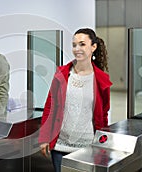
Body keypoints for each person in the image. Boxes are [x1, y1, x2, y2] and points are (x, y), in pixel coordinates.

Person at [38, 28, 112, 172]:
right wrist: (44, 138)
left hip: (88, 148)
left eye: (82, 44)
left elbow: (103, 114)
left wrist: (102, 143)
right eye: (74, 45)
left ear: (93, 47)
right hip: (60, 147)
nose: (77, 49)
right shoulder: (62, 74)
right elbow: (49, 108)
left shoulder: (101, 79)